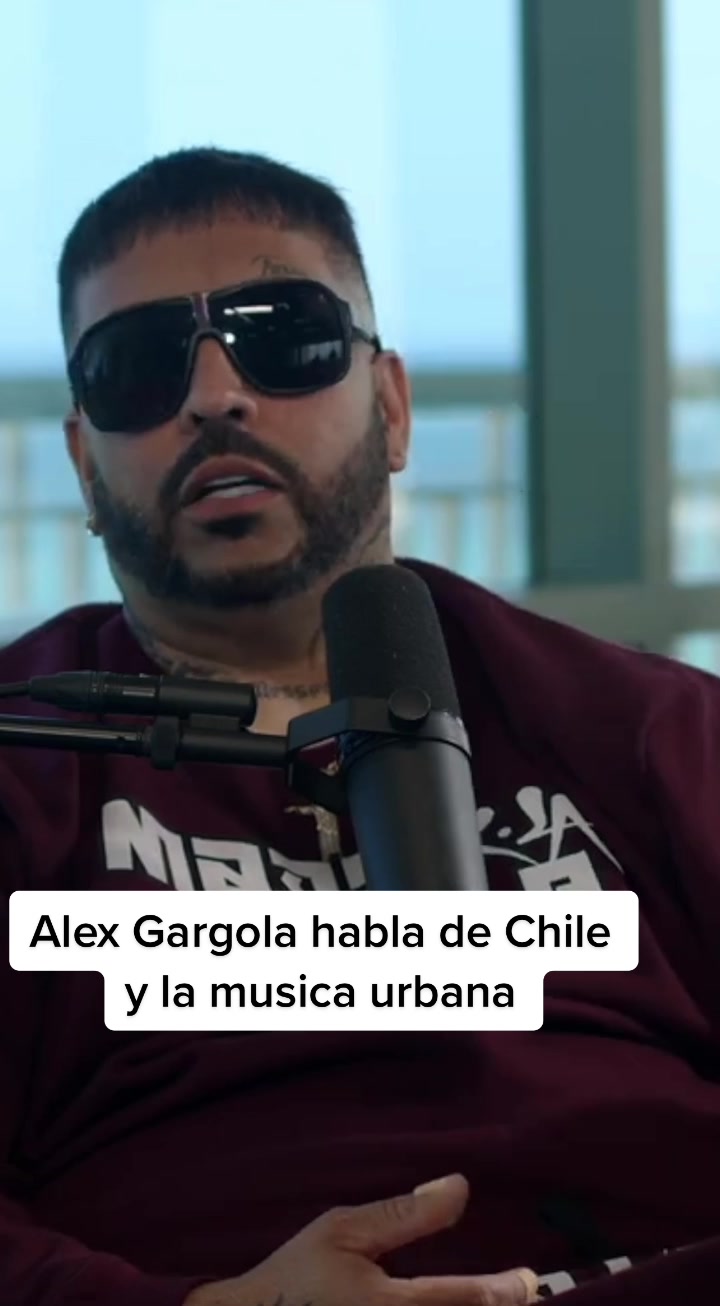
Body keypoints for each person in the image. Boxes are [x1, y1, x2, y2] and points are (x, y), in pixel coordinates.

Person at [0, 148, 719, 1306]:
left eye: (285, 338)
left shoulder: (643, 725)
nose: (214, 395)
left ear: (391, 407)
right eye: (136, 366)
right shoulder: (26, 760)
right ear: (85, 466)